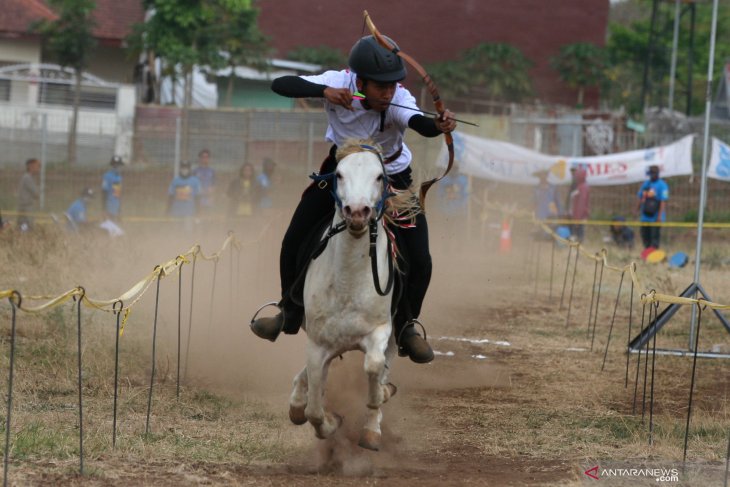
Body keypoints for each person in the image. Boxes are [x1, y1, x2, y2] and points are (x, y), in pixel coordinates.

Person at [250, 34, 457, 364]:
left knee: (421, 259)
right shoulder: (336, 82)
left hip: (392, 180)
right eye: (380, 86)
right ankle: (288, 310)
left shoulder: (399, 100)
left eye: (392, 86)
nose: (388, 93)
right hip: (342, 172)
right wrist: (323, 92)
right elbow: (281, 84)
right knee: (295, 237)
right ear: (359, 80)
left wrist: (439, 124)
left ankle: (406, 327)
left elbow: (420, 123)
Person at [637, 165, 668, 249]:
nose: (651, 175)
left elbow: (663, 201)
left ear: (657, 174)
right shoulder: (646, 184)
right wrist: (637, 209)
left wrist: (659, 217)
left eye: (653, 173)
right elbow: (641, 197)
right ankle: (646, 253)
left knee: (654, 237)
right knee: (645, 236)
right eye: (650, 173)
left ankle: (654, 255)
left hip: (655, 217)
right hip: (645, 217)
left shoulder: (663, 185)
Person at [167, 161, 201, 232]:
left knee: (188, 231)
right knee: (175, 231)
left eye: (186, 168)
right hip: (176, 211)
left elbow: (197, 197)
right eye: (183, 167)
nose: (184, 169)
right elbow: (171, 196)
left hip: (189, 212)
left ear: (189, 169)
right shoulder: (175, 181)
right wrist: (168, 210)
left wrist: (198, 211)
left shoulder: (195, 181)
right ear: (180, 168)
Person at [17, 158, 41, 232]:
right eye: (38, 166)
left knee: (24, 227)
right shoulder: (27, 178)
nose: (38, 168)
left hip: (26, 208)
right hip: (26, 208)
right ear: (31, 166)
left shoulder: (28, 177)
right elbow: (36, 193)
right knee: (26, 228)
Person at [567, 165, 590, 242]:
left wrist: (577, 218)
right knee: (576, 233)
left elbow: (581, 204)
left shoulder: (583, 187)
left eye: (577, 175)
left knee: (579, 234)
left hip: (579, 216)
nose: (575, 177)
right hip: (575, 215)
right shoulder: (579, 186)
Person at [101, 156, 124, 221]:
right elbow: (104, 193)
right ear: (113, 166)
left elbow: (117, 194)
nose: (118, 167)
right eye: (116, 166)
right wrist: (104, 209)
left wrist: (119, 210)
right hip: (108, 208)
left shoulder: (119, 177)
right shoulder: (107, 176)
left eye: (119, 165)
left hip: (115, 208)